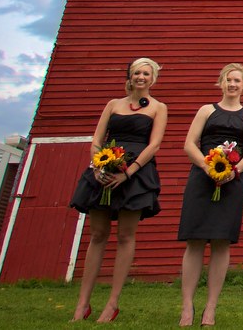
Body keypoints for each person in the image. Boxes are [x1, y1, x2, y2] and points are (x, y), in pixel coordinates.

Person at [69, 57, 168, 323]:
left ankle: (112, 303)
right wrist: (98, 166)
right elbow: (97, 139)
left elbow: (154, 145)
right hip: (104, 169)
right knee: (98, 234)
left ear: (153, 78)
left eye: (146, 73)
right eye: (137, 73)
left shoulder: (158, 108)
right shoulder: (113, 104)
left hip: (134, 174)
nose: (141, 77)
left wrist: (128, 172)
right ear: (130, 76)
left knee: (125, 235)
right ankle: (82, 304)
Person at [177, 63, 243, 326]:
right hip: (202, 178)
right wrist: (207, 166)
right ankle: (187, 306)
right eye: (228, 79)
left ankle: (210, 307)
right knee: (195, 241)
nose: (232, 84)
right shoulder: (206, 111)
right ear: (221, 83)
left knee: (221, 242)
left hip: (232, 181)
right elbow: (190, 143)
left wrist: (234, 171)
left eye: (237, 80)